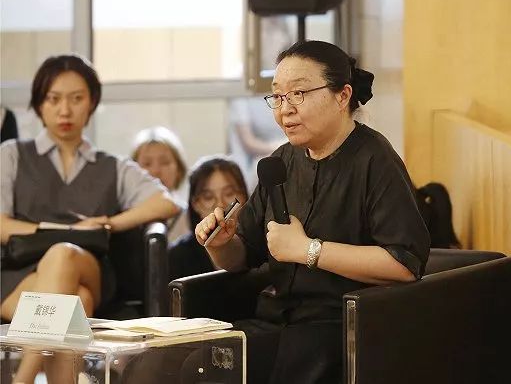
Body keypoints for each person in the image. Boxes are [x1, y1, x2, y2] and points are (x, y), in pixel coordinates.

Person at [195, 40, 431, 384]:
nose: (285, 109)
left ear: (342, 96)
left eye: (298, 94)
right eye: (278, 96)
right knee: (195, 366)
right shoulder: (282, 160)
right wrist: (220, 244)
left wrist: (309, 250)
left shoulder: (375, 159)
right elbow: (242, 256)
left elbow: (404, 264)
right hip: (277, 317)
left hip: (341, 326)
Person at [0, 54, 180, 383]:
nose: (65, 111)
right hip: (19, 277)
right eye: (54, 99)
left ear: (92, 102)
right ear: (39, 104)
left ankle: (21, 379)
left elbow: (165, 202)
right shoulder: (12, 154)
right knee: (75, 301)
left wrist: (108, 223)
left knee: (64, 254)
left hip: (87, 266)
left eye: (76, 99)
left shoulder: (111, 165)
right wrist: (65, 230)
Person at [169, 156, 249, 280]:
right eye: (208, 197)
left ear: (243, 196)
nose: (220, 204)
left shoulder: (260, 241)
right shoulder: (177, 255)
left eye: (229, 193)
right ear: (195, 204)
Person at [131, 126, 189, 243]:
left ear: (179, 169)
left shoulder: (191, 219)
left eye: (165, 162)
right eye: (147, 164)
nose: (156, 171)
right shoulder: (124, 216)